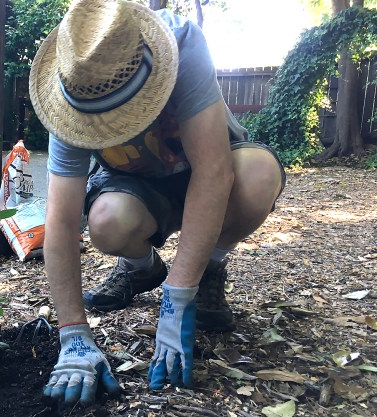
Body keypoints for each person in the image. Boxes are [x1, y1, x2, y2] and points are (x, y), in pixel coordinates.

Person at [28, 0, 286, 406]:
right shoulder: (70, 89)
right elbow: (59, 222)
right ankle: (141, 269)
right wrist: (73, 332)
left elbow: (213, 171)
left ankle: (210, 267)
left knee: (257, 176)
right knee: (107, 221)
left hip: (210, 166)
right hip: (136, 186)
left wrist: (180, 292)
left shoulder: (182, 43)